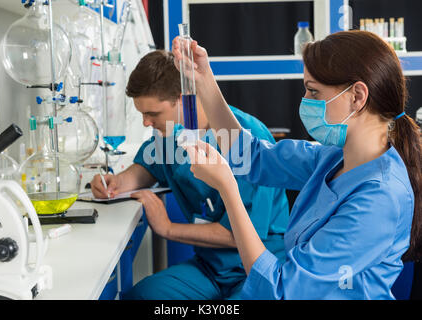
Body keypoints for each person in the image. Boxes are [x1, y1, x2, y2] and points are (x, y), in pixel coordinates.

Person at [174, 30, 422, 299]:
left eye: (314, 91)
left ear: (357, 96)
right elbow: (251, 156)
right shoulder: (333, 157)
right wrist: (203, 79)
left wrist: (228, 189)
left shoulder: (379, 197)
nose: (305, 101)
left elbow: (281, 291)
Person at [90, 50, 290, 299]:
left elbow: (236, 234)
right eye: (142, 114)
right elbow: (146, 169)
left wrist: (168, 228)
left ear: (183, 98)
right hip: (211, 269)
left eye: (153, 114)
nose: (146, 123)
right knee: (142, 296)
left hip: (258, 268)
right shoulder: (170, 135)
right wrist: (116, 183)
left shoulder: (245, 137)